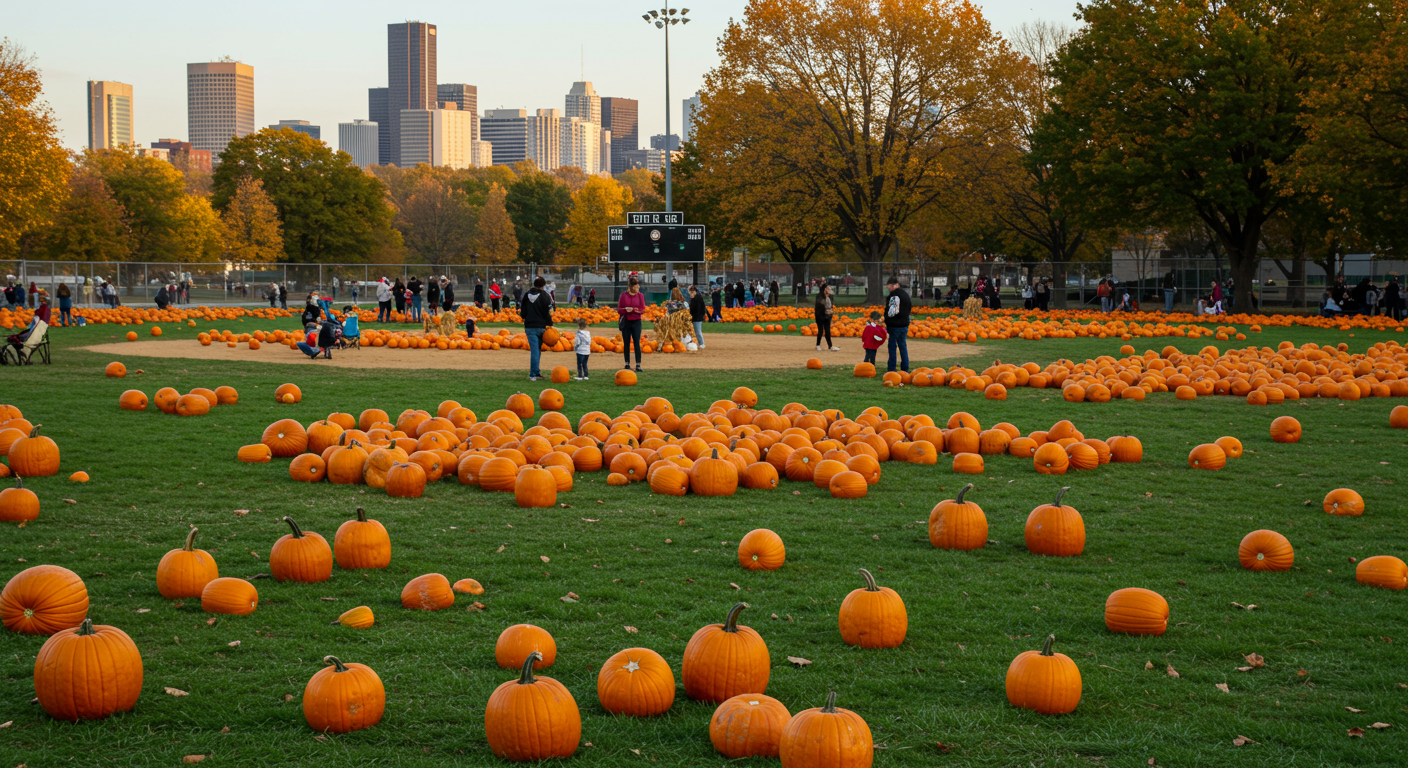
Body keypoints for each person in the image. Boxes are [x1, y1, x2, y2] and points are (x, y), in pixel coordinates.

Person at [521, 276, 554, 381]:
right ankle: (534, 373)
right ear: (543, 285)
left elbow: (523, 311)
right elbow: (547, 312)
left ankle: (535, 372)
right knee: (537, 351)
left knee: (535, 350)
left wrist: (525, 316)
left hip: (530, 326)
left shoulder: (526, 295)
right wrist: (550, 323)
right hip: (541, 325)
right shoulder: (545, 296)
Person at [617, 276, 646, 372]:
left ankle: (638, 364)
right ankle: (627, 363)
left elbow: (643, 309)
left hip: (636, 321)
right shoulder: (624, 296)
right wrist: (625, 310)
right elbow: (619, 309)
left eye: (638, 287)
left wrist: (638, 311)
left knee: (637, 342)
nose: (637, 289)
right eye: (636, 287)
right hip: (626, 321)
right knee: (626, 343)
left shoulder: (640, 296)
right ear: (631, 287)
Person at [884, 275, 912, 373]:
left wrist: (886, 319)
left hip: (895, 325)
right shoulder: (905, 294)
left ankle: (892, 368)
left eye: (889, 287)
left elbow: (893, 311)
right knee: (903, 346)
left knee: (892, 347)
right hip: (904, 324)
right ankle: (905, 367)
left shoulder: (894, 296)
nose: (889, 289)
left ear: (894, 285)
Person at [815, 284, 838, 352]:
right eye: (827, 288)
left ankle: (830, 345)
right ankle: (818, 345)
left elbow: (831, 305)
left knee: (828, 331)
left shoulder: (830, 297)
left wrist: (830, 311)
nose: (829, 289)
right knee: (821, 330)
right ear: (824, 289)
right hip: (820, 316)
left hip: (828, 316)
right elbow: (819, 306)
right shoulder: (819, 297)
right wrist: (824, 311)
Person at [688, 285, 707, 350]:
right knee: (695, 331)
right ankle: (699, 343)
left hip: (697, 317)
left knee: (698, 331)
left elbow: (697, 308)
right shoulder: (697, 297)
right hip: (697, 317)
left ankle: (701, 343)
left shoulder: (696, 298)